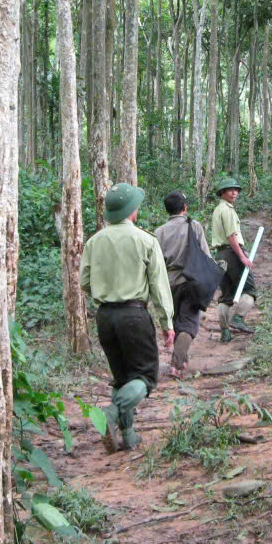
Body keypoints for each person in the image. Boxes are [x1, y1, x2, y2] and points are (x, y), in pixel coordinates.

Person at [79, 183, 174, 452]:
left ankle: (128, 436)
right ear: (133, 211)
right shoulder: (146, 241)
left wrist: (105, 290)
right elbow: (159, 287)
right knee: (144, 377)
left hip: (105, 317)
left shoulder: (94, 242)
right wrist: (167, 324)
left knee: (122, 378)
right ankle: (110, 414)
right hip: (134, 314)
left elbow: (84, 281)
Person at [153, 190, 214, 377]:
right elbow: (206, 256)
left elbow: (156, 264)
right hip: (191, 282)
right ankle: (176, 365)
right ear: (185, 208)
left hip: (168, 284)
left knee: (177, 323)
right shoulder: (194, 226)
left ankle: (182, 358)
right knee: (188, 324)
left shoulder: (159, 232)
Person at [210, 176, 257, 342]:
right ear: (222, 193)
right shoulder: (227, 210)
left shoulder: (217, 210)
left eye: (236, 190)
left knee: (226, 295)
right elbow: (231, 236)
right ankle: (238, 319)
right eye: (230, 190)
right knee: (250, 290)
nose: (234, 192)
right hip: (231, 253)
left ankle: (225, 332)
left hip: (220, 256)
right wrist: (242, 257)